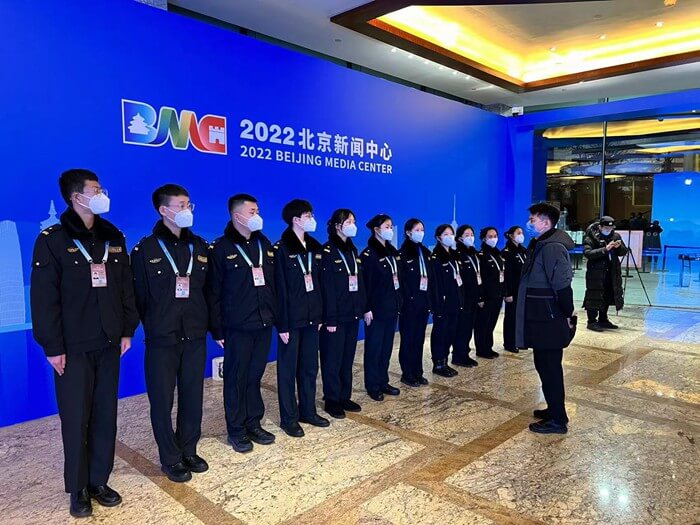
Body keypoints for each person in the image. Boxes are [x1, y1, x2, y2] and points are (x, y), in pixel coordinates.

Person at [30, 169, 139, 518]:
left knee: (105, 415)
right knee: (76, 418)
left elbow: (126, 288)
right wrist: (53, 346)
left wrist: (127, 329)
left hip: (109, 342)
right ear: (76, 197)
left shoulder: (113, 236)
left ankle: (98, 481)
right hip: (73, 346)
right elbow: (44, 299)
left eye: (101, 188)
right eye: (95, 190)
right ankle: (77, 488)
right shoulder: (52, 239)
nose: (101, 194)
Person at [131, 184, 209, 483]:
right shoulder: (145, 250)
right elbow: (137, 297)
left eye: (189, 204)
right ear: (164, 210)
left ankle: (189, 449)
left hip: (194, 334)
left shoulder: (200, 247)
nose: (187, 210)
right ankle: (171, 457)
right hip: (162, 338)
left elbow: (209, 291)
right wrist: (149, 326)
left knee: (193, 395)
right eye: (181, 205)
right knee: (162, 401)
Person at [207, 194, 277, 453]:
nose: (257, 215)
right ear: (237, 216)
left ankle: (253, 423)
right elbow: (213, 292)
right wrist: (217, 329)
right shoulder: (220, 248)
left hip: (263, 322)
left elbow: (272, 284)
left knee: (255, 376)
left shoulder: (264, 243)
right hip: (236, 327)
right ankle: (236, 430)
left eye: (257, 210)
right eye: (252, 211)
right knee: (236, 379)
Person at [516, 203, 576, 434]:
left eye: (533, 219)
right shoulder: (540, 244)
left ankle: (558, 420)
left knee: (550, 368)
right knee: (543, 365)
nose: (529, 223)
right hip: (541, 318)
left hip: (549, 319)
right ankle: (554, 409)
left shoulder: (552, 248)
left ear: (545, 222)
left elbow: (562, 285)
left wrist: (568, 313)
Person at [273, 199, 329, 436]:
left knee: (309, 368)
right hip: (291, 321)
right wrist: (282, 324)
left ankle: (308, 410)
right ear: (296, 220)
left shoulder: (315, 248)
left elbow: (320, 284)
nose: (312, 219)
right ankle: (289, 418)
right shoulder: (281, 249)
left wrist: (320, 315)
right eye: (308, 216)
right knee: (288, 371)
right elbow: (279, 290)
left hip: (312, 319)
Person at [319, 209, 366, 418]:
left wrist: (361, 309)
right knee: (332, 359)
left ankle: (344, 396)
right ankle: (331, 399)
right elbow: (326, 288)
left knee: (347, 358)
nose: (352, 225)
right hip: (335, 318)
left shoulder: (352, 250)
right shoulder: (327, 251)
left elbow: (359, 282)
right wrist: (330, 318)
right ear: (337, 226)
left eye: (354, 221)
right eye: (348, 222)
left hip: (352, 314)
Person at [362, 214, 403, 401]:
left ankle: (383, 380)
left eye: (391, 226)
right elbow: (365, 284)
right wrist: (366, 308)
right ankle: (372, 385)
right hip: (376, 311)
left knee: (386, 348)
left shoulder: (392, 252)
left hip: (391, 308)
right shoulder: (369, 255)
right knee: (374, 349)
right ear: (376, 229)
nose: (390, 229)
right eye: (387, 226)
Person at [398, 218, 433, 387]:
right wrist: (407, 300)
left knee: (419, 339)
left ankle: (418, 372)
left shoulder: (425, 252)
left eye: (422, 230)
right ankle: (407, 373)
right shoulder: (403, 253)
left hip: (423, 302)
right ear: (408, 232)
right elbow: (402, 281)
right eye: (417, 230)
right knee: (408, 339)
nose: (420, 233)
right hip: (409, 304)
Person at [429, 224, 464, 377]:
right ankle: (438, 363)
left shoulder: (454, 256)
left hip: (455, 301)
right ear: (438, 237)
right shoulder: (436, 257)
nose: (449, 237)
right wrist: (437, 303)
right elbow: (435, 283)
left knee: (451, 331)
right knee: (440, 332)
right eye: (446, 234)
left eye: (451, 234)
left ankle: (445, 361)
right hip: (443, 303)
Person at [582, 216, 628, 332]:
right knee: (594, 295)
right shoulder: (591, 237)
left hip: (611, 271)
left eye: (611, 228)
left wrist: (619, 247)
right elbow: (588, 253)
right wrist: (605, 249)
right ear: (600, 227)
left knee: (607, 294)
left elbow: (623, 252)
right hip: (596, 273)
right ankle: (591, 321)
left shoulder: (615, 236)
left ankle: (603, 319)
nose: (609, 230)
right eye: (606, 228)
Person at [453, 225, 481, 367]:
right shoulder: (458, 255)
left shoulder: (473, 254)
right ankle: (458, 355)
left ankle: (465, 353)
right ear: (459, 238)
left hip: (474, 297)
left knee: (469, 327)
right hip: (464, 298)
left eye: (472, 234)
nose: (470, 237)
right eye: (467, 235)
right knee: (462, 329)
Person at [474, 227, 504, 359]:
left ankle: (488, 347)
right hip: (487, 295)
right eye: (490, 236)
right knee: (483, 323)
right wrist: (480, 297)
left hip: (497, 294)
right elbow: (479, 278)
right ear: (483, 238)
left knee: (491, 322)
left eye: (495, 236)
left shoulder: (497, 254)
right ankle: (481, 349)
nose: (493, 239)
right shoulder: (481, 255)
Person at [502, 226, 528, 353]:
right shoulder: (507, 252)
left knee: (521, 316)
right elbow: (506, 274)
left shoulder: (523, 251)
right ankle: (509, 342)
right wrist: (507, 293)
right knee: (511, 317)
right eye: (518, 233)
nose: (521, 235)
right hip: (513, 290)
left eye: (522, 232)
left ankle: (520, 340)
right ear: (511, 235)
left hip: (524, 289)